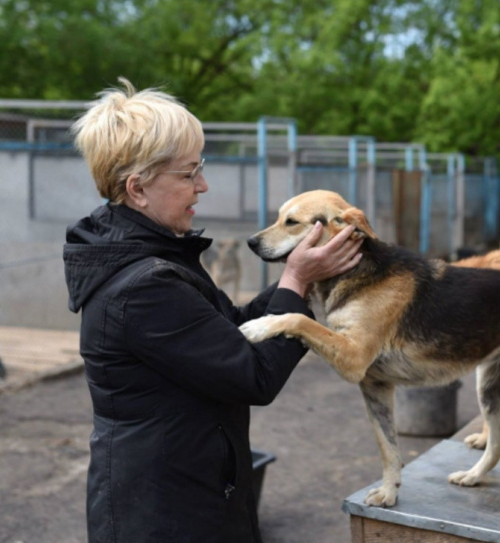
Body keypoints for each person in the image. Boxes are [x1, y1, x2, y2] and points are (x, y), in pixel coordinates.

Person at [62, 78, 362, 543]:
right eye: (187, 174)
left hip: (189, 494)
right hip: (165, 516)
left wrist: (304, 277)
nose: (202, 185)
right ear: (138, 189)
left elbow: (230, 332)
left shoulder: (155, 259)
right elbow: (251, 374)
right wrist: (296, 280)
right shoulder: (143, 286)